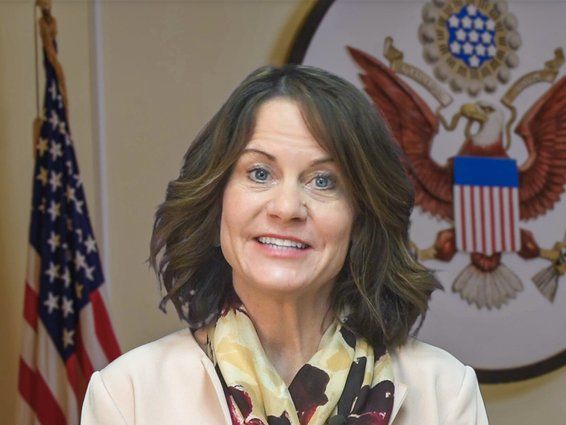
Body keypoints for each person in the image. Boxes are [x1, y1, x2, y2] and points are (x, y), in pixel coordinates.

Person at [81, 65, 488, 425]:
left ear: (361, 216)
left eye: (323, 181)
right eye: (260, 173)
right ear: (216, 200)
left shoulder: (445, 392)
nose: (287, 208)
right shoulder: (129, 396)